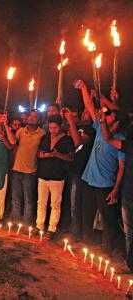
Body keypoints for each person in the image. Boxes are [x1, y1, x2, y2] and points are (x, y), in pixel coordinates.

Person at [76, 80, 126, 256]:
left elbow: (121, 167)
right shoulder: (99, 127)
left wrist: (115, 189)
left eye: (110, 115)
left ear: (117, 122)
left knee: (107, 219)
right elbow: (90, 107)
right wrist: (83, 88)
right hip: (89, 179)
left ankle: (108, 249)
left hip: (105, 184)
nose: (106, 115)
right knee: (86, 212)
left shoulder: (120, 140)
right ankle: (86, 244)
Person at [100, 111, 133, 273]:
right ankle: (129, 263)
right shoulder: (129, 145)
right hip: (128, 194)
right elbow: (108, 139)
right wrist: (103, 123)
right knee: (129, 231)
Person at [36, 115, 74, 239]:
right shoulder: (45, 137)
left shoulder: (67, 140)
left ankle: (52, 228)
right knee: (41, 202)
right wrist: (43, 155)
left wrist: (57, 155)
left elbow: (70, 157)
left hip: (57, 177)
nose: (53, 130)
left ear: (60, 126)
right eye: (50, 127)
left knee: (55, 204)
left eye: (55, 128)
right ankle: (39, 226)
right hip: (43, 174)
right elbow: (38, 153)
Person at [5, 111, 46, 226]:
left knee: (28, 199)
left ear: (39, 121)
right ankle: (16, 221)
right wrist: (6, 127)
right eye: (30, 116)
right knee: (16, 198)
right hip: (17, 168)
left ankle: (27, 223)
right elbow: (13, 142)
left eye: (34, 117)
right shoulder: (21, 131)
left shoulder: (42, 133)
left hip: (30, 171)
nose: (31, 118)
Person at [63, 108, 95, 241]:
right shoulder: (78, 126)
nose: (83, 113)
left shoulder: (91, 130)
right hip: (72, 168)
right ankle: (73, 229)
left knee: (77, 204)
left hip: (82, 171)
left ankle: (77, 233)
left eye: (87, 111)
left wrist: (71, 122)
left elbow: (78, 142)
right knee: (71, 202)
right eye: (83, 111)